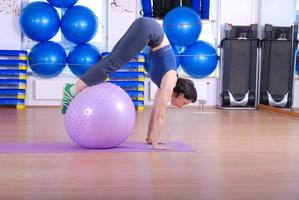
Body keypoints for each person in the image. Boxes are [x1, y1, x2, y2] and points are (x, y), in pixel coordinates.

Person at [61, 17, 197, 150]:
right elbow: (161, 115)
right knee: (113, 63)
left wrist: (150, 138)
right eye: (184, 103)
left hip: (147, 26)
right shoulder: (170, 80)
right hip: (148, 30)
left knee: (113, 60)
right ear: (181, 93)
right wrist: (156, 145)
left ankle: (74, 89)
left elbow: (155, 111)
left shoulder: (165, 84)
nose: (181, 106)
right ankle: (72, 90)